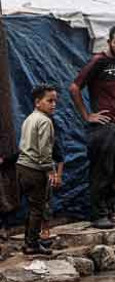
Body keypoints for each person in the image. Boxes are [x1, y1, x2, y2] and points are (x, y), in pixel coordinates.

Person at [69, 25, 115, 230]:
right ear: (109, 41)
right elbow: (74, 87)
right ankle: (98, 215)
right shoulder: (98, 61)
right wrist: (87, 115)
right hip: (105, 127)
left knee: (114, 172)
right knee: (102, 172)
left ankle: (108, 211)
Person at [16, 84, 64, 255]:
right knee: (37, 209)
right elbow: (44, 149)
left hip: (22, 167)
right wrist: (50, 170)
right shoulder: (45, 121)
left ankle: (29, 241)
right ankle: (32, 244)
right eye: (49, 101)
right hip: (35, 169)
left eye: (55, 101)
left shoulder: (29, 118)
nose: (53, 104)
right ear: (37, 102)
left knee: (31, 208)